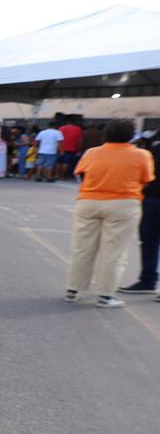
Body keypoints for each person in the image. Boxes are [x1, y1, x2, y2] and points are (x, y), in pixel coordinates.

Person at [64, 121, 155, 307]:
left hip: (88, 202)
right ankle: (105, 295)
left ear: (105, 134)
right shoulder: (142, 155)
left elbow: (80, 174)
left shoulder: (91, 152)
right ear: (131, 136)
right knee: (114, 251)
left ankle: (73, 289)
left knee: (82, 248)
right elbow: (146, 180)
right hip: (124, 204)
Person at [118, 131, 160, 297]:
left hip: (152, 198)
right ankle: (147, 280)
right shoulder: (154, 140)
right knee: (148, 241)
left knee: (149, 241)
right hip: (152, 198)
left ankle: (148, 280)